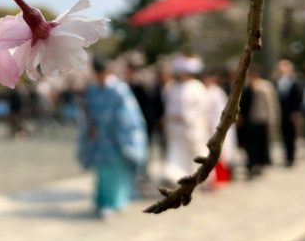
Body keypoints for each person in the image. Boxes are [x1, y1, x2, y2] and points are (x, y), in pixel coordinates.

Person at [77, 56, 148, 218]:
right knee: (102, 172)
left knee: (114, 172)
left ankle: (114, 202)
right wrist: (90, 125)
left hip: (117, 138)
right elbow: (87, 111)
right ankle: (102, 201)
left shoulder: (119, 90)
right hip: (99, 139)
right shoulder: (93, 90)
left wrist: (116, 125)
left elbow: (128, 115)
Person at [163, 54, 209, 182]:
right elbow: (169, 106)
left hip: (192, 127)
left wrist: (188, 117)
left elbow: (202, 108)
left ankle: (197, 178)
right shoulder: (172, 87)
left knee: (195, 154)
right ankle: (178, 178)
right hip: (176, 129)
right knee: (176, 154)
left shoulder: (197, 86)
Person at [244, 66, 279, 178]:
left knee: (262, 144)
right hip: (251, 120)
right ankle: (252, 164)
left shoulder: (266, 86)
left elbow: (271, 104)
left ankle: (261, 164)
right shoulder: (247, 86)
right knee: (251, 145)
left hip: (262, 119)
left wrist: (271, 120)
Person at [203, 71, 237, 184]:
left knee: (222, 152)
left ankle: (224, 176)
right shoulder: (205, 91)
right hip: (207, 126)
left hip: (217, 124)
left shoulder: (217, 92)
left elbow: (220, 111)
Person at [275, 59, 303, 167]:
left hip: (292, 113)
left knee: (291, 135)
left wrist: (296, 112)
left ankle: (291, 157)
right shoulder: (277, 82)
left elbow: (298, 98)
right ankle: (286, 156)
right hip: (281, 113)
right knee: (283, 135)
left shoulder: (295, 82)